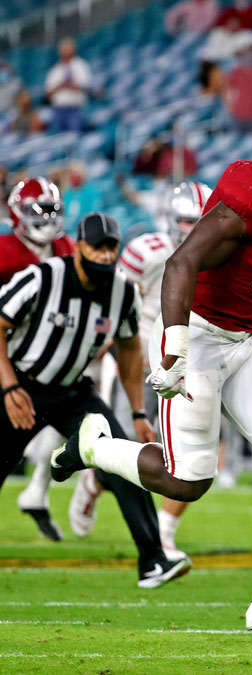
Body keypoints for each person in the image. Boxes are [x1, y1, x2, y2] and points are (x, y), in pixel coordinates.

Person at [51, 107, 252, 644]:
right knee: (187, 480)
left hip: (246, 339)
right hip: (194, 331)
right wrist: (172, 347)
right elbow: (181, 264)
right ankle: (95, 447)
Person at [2, 213, 189, 587]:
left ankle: (153, 560)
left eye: (111, 248)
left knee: (123, 460)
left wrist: (138, 409)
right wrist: (8, 387)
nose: (105, 255)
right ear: (79, 247)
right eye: (97, 247)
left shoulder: (122, 291)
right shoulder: (43, 277)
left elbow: (130, 347)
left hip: (73, 390)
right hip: (23, 384)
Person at [83, 181, 213, 554]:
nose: (193, 228)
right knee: (123, 439)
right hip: (139, 349)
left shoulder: (220, 253)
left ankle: (165, 533)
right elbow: (115, 299)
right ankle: (95, 482)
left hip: (190, 356)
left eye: (200, 220)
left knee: (197, 449)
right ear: (172, 219)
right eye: (188, 220)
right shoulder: (148, 250)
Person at [3, 178, 76, 540]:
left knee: (67, 423)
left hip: (43, 356)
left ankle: (38, 491)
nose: (47, 218)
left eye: (52, 210)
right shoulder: (6, 251)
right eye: (39, 210)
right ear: (17, 213)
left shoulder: (64, 246)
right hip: (7, 352)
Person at [43, 38, 92, 133]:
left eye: (68, 49)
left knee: (75, 136)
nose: (65, 52)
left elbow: (83, 86)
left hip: (75, 109)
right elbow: (48, 93)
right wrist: (61, 85)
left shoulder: (81, 65)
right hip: (57, 110)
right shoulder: (55, 70)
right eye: (63, 49)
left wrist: (64, 85)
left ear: (73, 49)